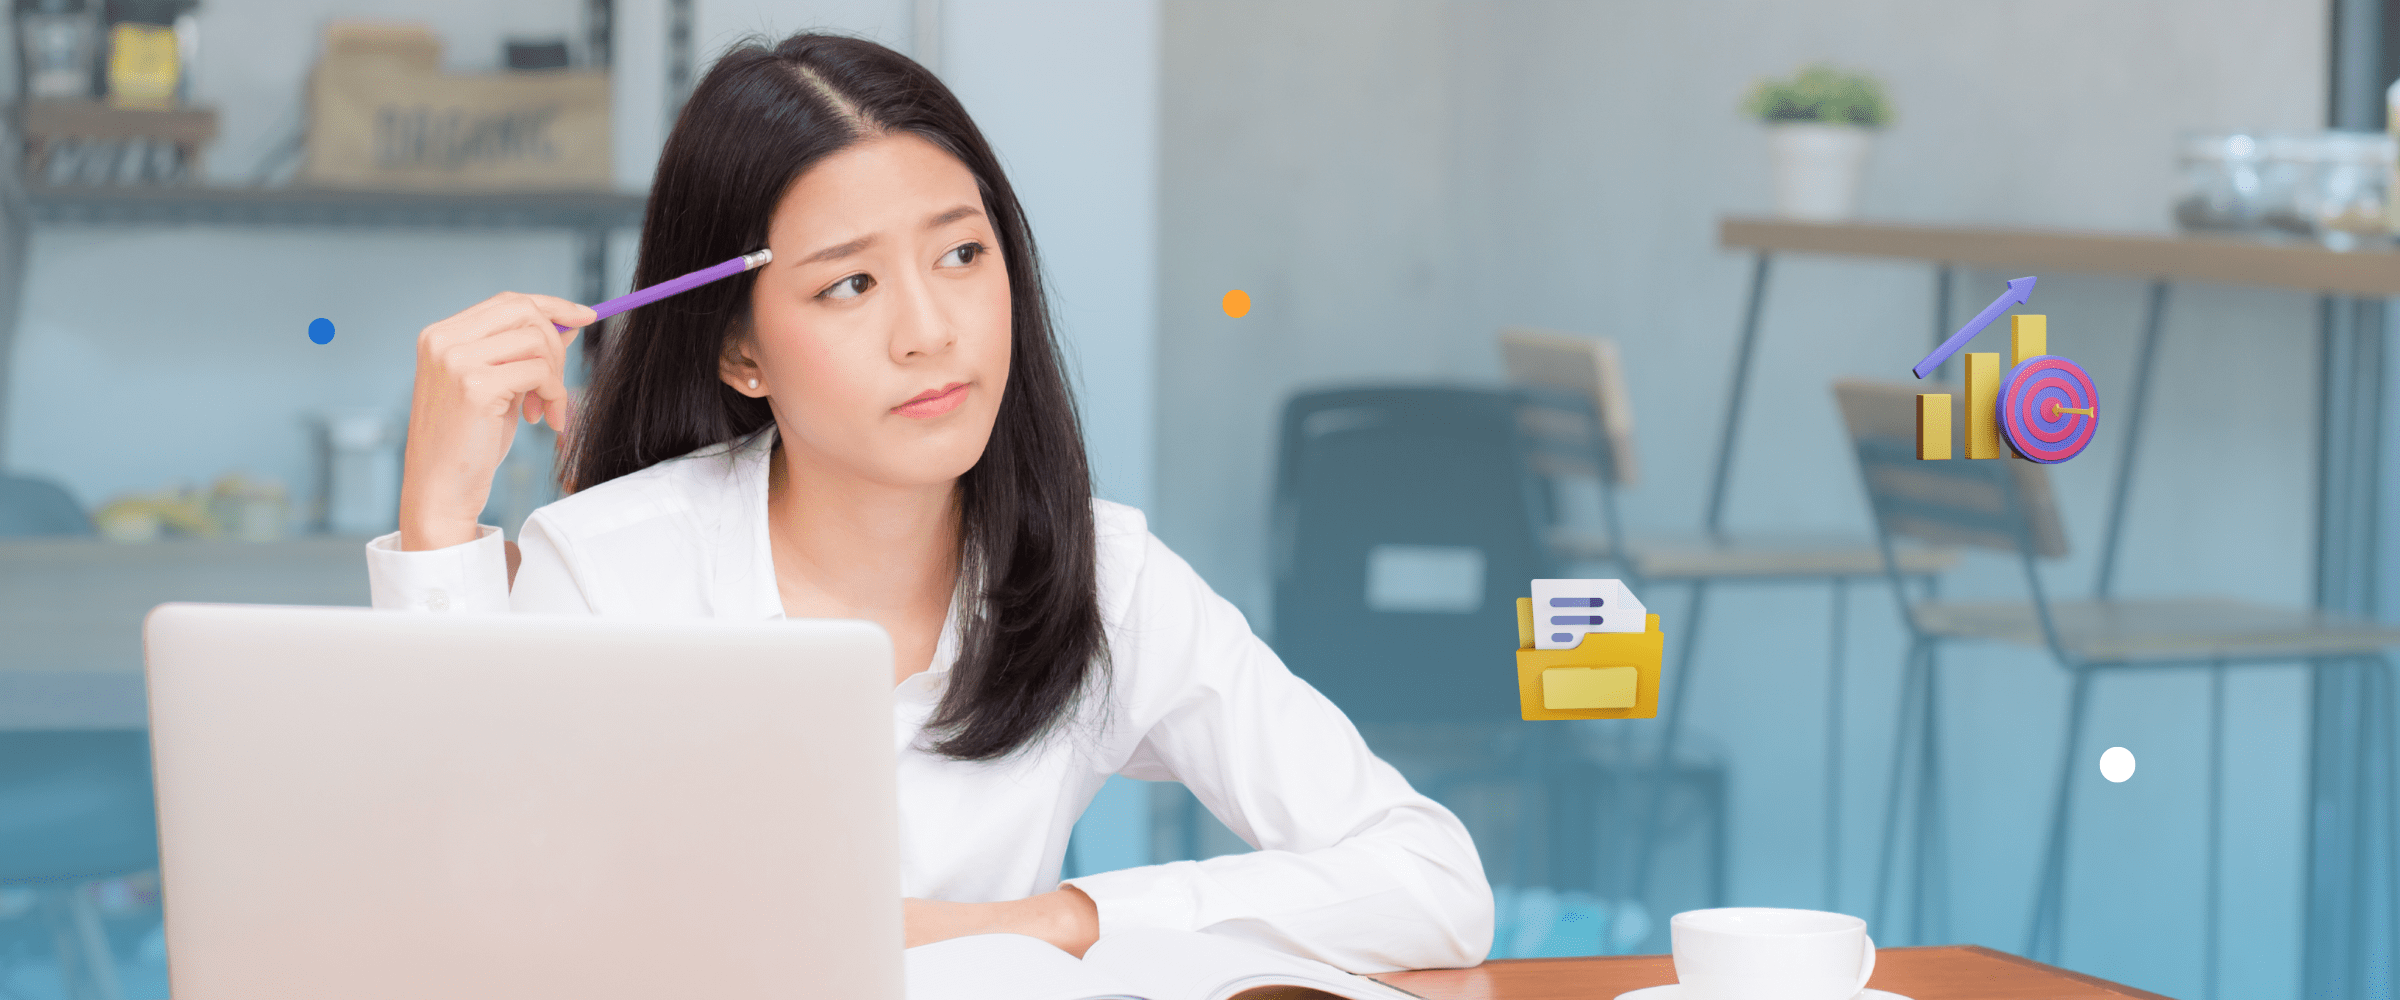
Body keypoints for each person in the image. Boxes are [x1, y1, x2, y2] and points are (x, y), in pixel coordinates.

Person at [369, 31, 1493, 973]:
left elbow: (1432, 882)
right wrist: (437, 525)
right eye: (850, 283)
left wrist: (1055, 921)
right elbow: (458, 937)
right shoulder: (611, 569)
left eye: (960, 254)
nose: (930, 330)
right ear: (741, 351)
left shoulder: (1100, 576)